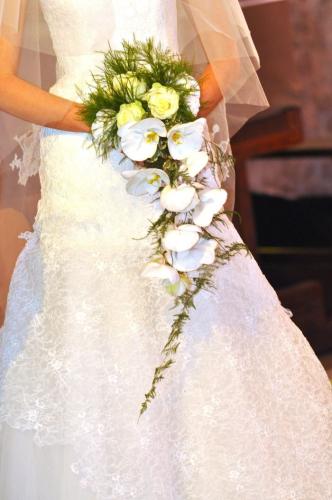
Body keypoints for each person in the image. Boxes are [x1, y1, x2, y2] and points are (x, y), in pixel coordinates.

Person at [0, 1, 331, 499]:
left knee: (192, 288)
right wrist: (96, 119)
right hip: (78, 155)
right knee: (88, 298)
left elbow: (230, 59)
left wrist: (169, 113)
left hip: (167, 141)